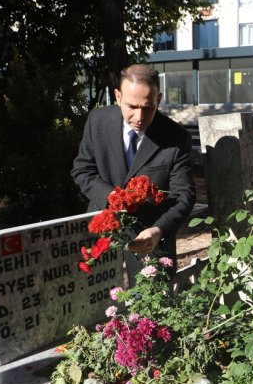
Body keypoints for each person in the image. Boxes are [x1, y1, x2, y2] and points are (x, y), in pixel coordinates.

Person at [72, 63, 196, 283]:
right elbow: (83, 169)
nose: (139, 117)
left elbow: (183, 195)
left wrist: (159, 229)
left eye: (148, 107)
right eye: (132, 106)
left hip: (150, 238)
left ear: (158, 99)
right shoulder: (97, 121)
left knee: (151, 312)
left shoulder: (176, 138)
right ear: (118, 96)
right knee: (99, 311)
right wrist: (111, 197)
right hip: (102, 231)